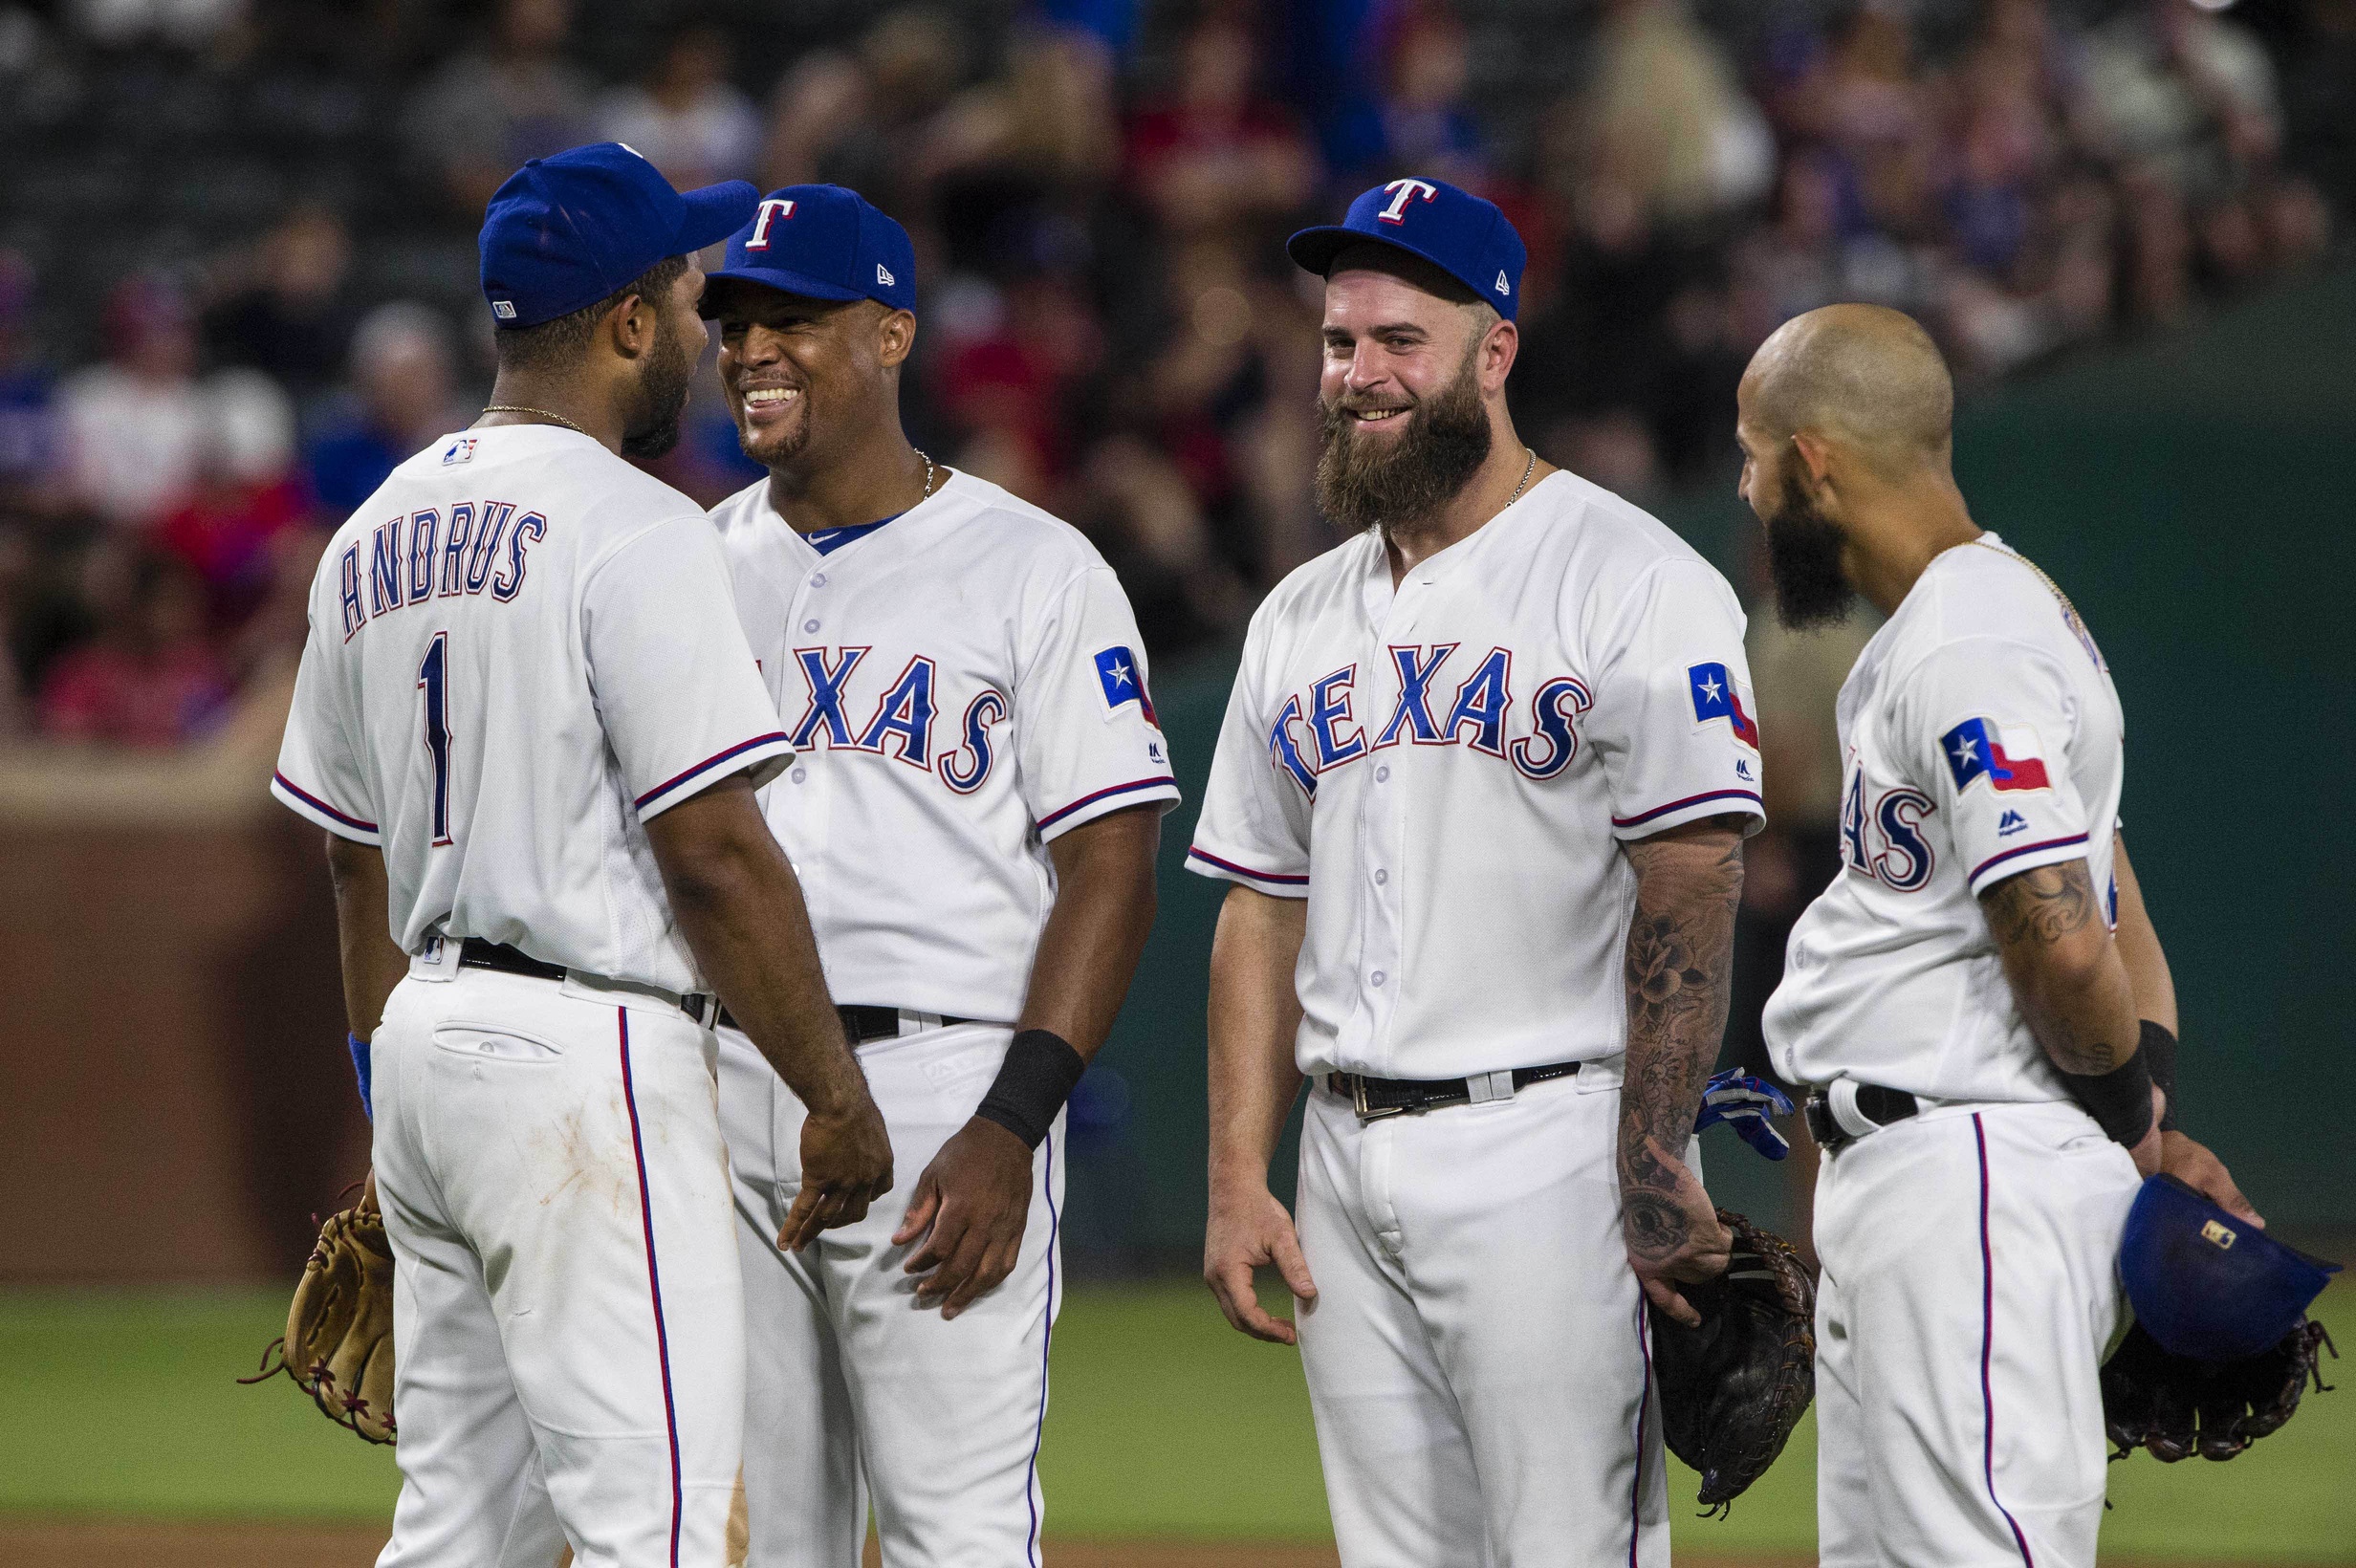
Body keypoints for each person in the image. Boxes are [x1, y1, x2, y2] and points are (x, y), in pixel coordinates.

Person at [268, 144, 891, 1567]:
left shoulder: (368, 535)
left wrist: (385, 1092)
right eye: (684, 296)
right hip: (587, 1054)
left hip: (424, 1044)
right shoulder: (637, 528)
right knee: (654, 1529)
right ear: (623, 323)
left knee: (459, 1529)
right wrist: (833, 1098)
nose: (700, 328)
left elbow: (351, 863)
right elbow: (718, 855)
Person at [1192, 177, 1764, 1566]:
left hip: (1549, 1152)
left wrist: (1647, 1162)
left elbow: (1695, 878)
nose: (1359, 376)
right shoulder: (1298, 617)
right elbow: (1260, 906)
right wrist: (1234, 1173)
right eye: (1340, 344)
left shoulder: (1630, 577)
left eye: (1401, 341)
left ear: (1493, 352)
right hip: (1341, 1157)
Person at [697, 183, 1177, 1567]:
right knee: (757, 1538)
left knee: (954, 1537)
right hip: (730, 1084)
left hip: (943, 1087)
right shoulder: (688, 566)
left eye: (794, 318)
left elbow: (1113, 864)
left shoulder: (1038, 567)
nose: (751, 349)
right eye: (734, 322)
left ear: (894, 333)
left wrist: (1013, 1123)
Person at [1734, 302, 2258, 1567]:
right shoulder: (1982, 619)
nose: (1745, 487)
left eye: (1751, 454)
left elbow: (2069, 941)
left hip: (1967, 1184)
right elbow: (2115, 899)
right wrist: (2146, 1117)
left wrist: (2128, 1119)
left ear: (1815, 460)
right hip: (1927, 1181)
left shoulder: (1970, 639)